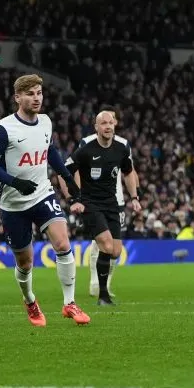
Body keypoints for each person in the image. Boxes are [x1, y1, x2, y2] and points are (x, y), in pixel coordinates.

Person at [0, 74, 91, 326]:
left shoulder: (46, 121)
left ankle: (69, 304)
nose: (36, 98)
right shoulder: (4, 128)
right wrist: (15, 182)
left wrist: (67, 177)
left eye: (39, 93)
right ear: (17, 97)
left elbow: (50, 151)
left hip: (42, 194)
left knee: (62, 243)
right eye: (30, 94)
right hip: (13, 204)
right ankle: (30, 300)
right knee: (25, 261)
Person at [61, 109, 139, 298]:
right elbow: (74, 170)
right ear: (96, 126)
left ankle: (105, 284)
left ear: (115, 123)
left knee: (115, 250)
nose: (107, 125)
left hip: (116, 200)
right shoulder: (87, 144)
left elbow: (129, 171)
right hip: (92, 200)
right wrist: (76, 197)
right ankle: (96, 284)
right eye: (103, 122)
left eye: (110, 122)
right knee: (104, 242)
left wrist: (135, 196)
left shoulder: (123, 145)